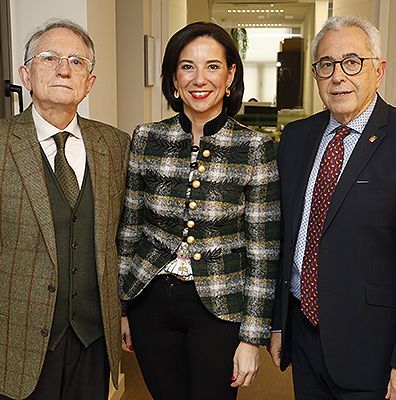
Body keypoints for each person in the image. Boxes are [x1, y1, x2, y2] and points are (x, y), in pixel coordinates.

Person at [269, 15, 396, 400]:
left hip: (375, 348)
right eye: (326, 65)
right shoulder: (296, 138)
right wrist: (279, 326)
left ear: (379, 70)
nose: (338, 76)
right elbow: (285, 240)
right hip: (304, 335)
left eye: (352, 62)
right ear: (316, 75)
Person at [0, 19, 130, 400]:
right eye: (49, 58)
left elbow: (117, 237)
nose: (64, 69)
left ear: (89, 82)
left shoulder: (115, 146)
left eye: (77, 62)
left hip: (92, 339)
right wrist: (13, 295)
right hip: (14, 341)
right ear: (26, 75)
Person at [117, 21, 280, 400]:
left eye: (212, 66)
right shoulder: (146, 137)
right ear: (174, 77)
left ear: (230, 74)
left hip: (220, 306)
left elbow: (263, 251)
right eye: (187, 66)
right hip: (149, 300)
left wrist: (251, 338)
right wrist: (123, 308)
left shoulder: (255, 147)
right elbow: (130, 228)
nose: (199, 78)